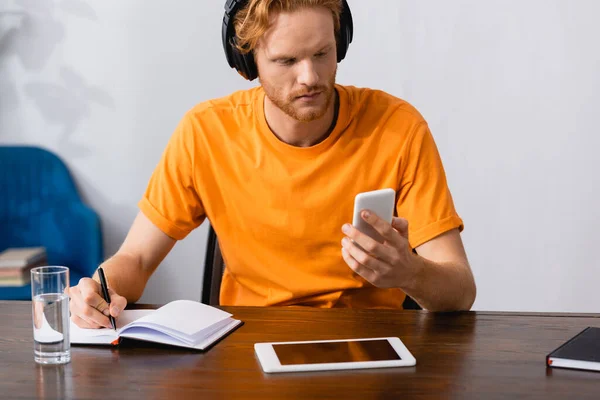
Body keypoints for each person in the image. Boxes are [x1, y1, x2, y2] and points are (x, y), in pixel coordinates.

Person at [69, 0, 476, 329]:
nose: (310, 77)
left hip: (369, 346)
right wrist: (97, 291)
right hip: (247, 350)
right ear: (247, 62)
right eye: (286, 61)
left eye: (322, 53)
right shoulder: (205, 132)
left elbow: (460, 290)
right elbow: (136, 261)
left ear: (341, 41)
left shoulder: (398, 127)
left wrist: (410, 273)